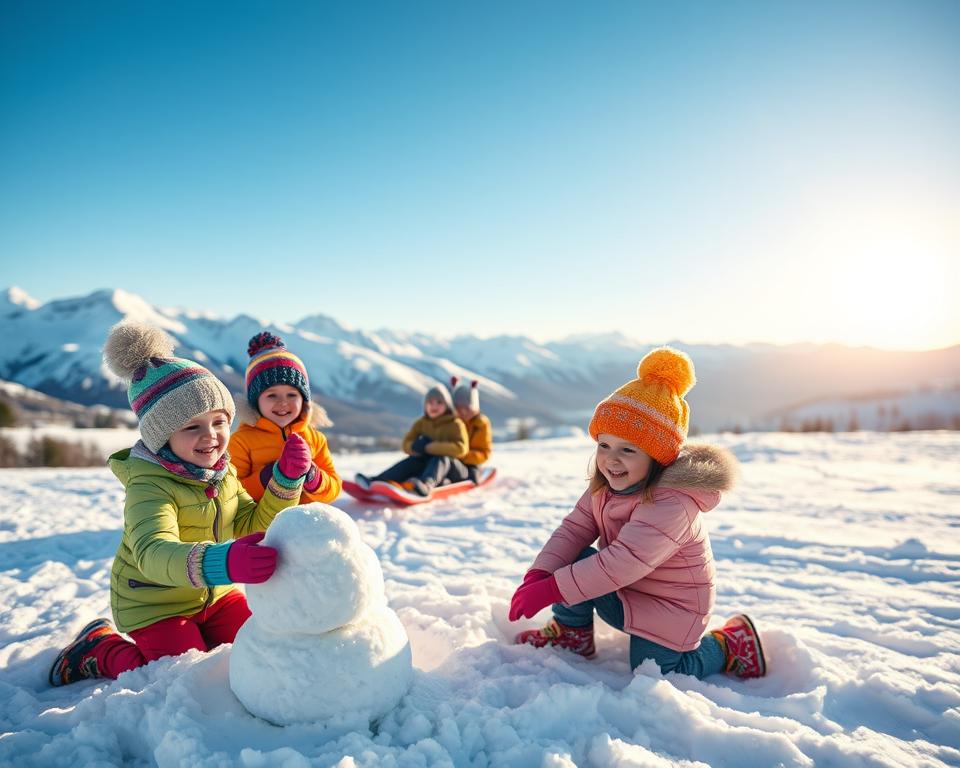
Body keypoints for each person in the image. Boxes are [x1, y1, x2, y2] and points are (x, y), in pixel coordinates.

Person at [49, 322, 312, 686]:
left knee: (258, 648)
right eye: (192, 427)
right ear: (161, 436)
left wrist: (286, 481)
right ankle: (98, 648)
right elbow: (153, 552)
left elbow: (252, 522)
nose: (211, 437)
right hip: (155, 605)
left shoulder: (222, 472)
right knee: (179, 676)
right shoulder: (149, 484)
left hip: (215, 596)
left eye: (219, 422)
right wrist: (224, 562)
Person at [508, 347, 766, 679]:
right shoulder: (606, 484)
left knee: (655, 672)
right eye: (604, 445)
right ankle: (572, 633)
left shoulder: (672, 503)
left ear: (657, 457)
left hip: (672, 609)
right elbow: (574, 530)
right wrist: (539, 574)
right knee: (575, 555)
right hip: (628, 591)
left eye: (627, 450)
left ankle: (729, 644)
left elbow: (621, 562)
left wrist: (552, 589)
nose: (611, 460)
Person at [229, 332, 341, 504]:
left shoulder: (315, 439)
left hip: (305, 520)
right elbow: (232, 494)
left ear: (304, 400)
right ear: (255, 401)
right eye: (272, 395)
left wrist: (313, 476)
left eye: (291, 395)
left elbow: (334, 488)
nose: (283, 403)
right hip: (263, 524)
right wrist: (270, 476)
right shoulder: (241, 441)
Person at [355, 384, 468, 497]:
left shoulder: (455, 424)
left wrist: (428, 447)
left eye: (439, 402)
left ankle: (425, 486)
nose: (434, 406)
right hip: (431, 469)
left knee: (440, 458)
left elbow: (462, 449)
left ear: (447, 405)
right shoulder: (422, 423)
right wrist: (414, 447)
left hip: (454, 470)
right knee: (414, 460)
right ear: (425, 405)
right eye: (430, 403)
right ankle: (377, 481)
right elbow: (406, 444)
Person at [445, 376, 492, 484]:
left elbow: (484, 453)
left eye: (466, 408)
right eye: (458, 408)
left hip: (471, 463)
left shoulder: (481, 424)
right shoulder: (452, 421)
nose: (462, 412)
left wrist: (462, 455)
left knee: (472, 478)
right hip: (450, 460)